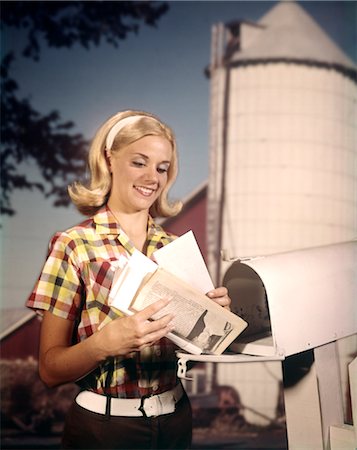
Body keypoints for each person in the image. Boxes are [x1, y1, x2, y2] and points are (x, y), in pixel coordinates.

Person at [26, 110, 231, 449]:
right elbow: (50, 369)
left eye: (162, 168)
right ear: (109, 159)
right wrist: (103, 344)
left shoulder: (173, 249)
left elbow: (192, 345)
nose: (153, 177)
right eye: (140, 162)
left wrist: (213, 317)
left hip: (176, 419)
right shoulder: (75, 246)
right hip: (105, 430)